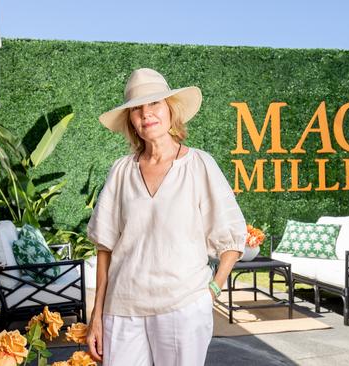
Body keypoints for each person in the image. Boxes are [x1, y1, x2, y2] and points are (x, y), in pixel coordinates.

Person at [86, 68, 247, 366]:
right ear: (131, 121)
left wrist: (211, 291)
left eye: (154, 104)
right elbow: (105, 247)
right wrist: (97, 316)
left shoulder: (199, 165)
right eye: (136, 109)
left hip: (182, 306)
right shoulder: (121, 171)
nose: (146, 114)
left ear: (171, 110)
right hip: (122, 309)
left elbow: (233, 237)